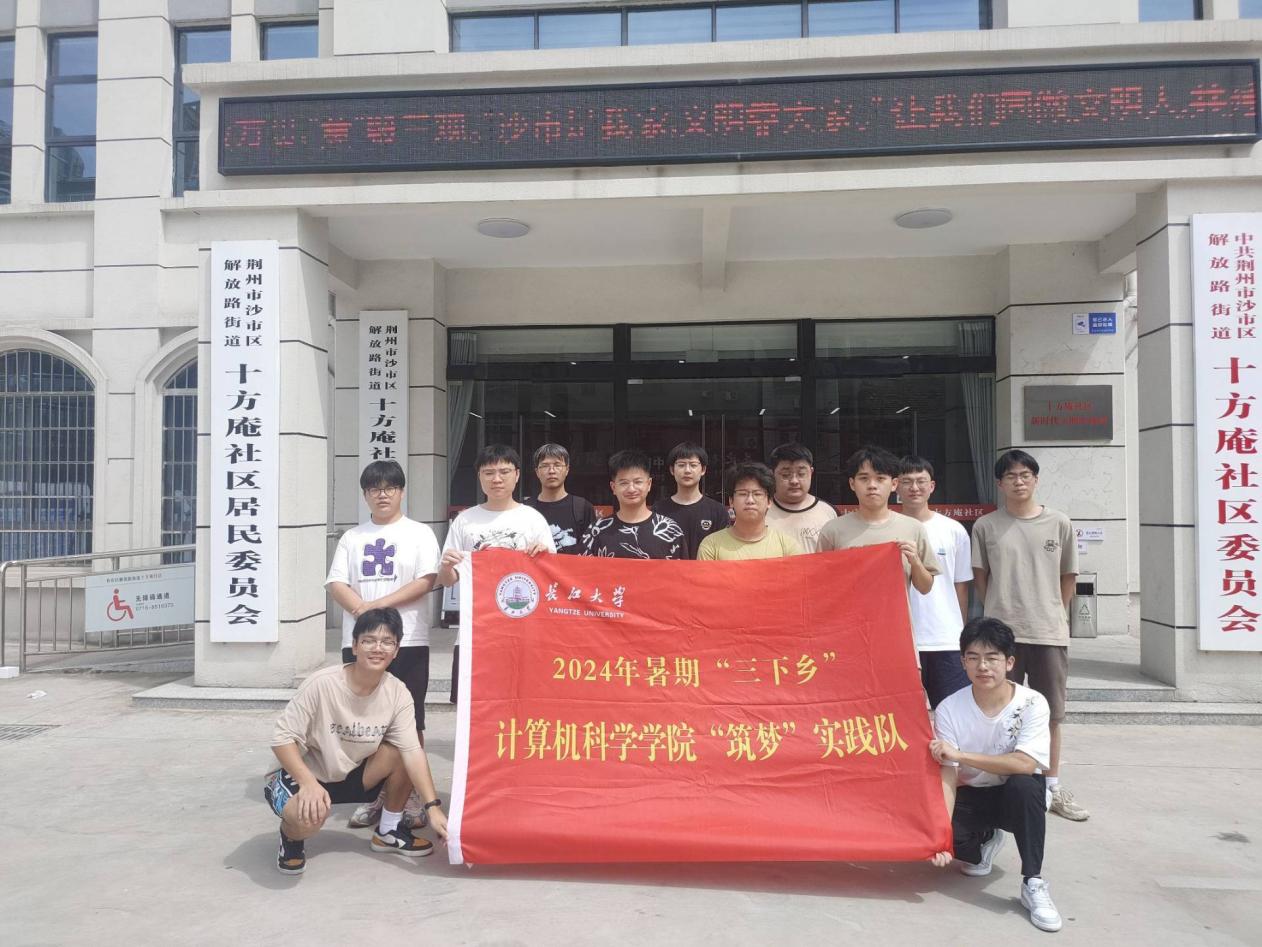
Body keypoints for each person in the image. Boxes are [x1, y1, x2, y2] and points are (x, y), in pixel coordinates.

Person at [265, 608, 448, 875]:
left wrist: (433, 808)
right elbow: (282, 739)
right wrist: (307, 783)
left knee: (400, 750)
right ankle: (291, 838)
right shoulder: (322, 684)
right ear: (354, 646)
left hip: (353, 773)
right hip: (302, 774)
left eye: (387, 642)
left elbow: (412, 751)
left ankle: (389, 830)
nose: (378, 648)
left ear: (396, 650)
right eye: (369, 640)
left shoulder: (398, 692)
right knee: (307, 819)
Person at [325, 460, 441, 830]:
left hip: (408, 641)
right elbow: (336, 583)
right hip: (360, 643)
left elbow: (426, 580)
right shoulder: (352, 537)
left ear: (402, 492)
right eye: (374, 489)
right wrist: (362, 612)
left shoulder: (419, 533)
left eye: (390, 487)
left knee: (410, 721)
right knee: (363, 723)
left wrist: (375, 607)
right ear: (365, 495)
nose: (382, 494)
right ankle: (373, 795)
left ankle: (411, 795)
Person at [971, 450, 1086, 822]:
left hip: (1048, 632)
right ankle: (999, 783)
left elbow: (1068, 577)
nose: (1018, 481)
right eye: (1010, 476)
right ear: (999, 483)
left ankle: (1052, 787)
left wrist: (1053, 613)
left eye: (1025, 475)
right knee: (998, 710)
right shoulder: (986, 526)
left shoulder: (1059, 523)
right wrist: (998, 612)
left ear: (1036, 479)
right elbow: (981, 579)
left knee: (1050, 713)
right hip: (1001, 635)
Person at [929, 617, 1062, 933]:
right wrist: (940, 835)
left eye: (992, 658)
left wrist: (961, 755)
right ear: (963, 662)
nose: (983, 666)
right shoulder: (949, 709)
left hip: (1015, 794)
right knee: (939, 829)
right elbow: (948, 774)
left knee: (1025, 786)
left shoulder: (1032, 703)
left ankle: (1033, 881)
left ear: (1009, 662)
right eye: (973, 657)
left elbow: (1025, 764)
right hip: (973, 795)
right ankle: (985, 839)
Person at [438, 445, 557, 703]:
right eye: (489, 472)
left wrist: (544, 556)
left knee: (523, 703)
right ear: (479, 476)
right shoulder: (464, 520)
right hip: (475, 632)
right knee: (472, 707)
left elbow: (552, 578)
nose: (497, 479)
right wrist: (446, 567)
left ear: (517, 475)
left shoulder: (532, 519)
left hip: (523, 631)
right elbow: (448, 580)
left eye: (504, 471)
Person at [897, 455, 972, 708]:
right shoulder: (888, 530)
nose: (914, 488)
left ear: (932, 486)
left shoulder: (953, 530)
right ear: (896, 486)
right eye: (907, 481)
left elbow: (961, 585)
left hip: (945, 638)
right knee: (903, 715)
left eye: (921, 481)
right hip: (901, 639)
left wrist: (961, 632)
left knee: (952, 712)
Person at [817, 445, 940, 597]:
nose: (872, 485)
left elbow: (925, 588)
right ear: (852, 484)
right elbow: (819, 584)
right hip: (848, 612)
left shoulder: (913, 528)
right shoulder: (833, 530)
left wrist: (915, 561)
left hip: (895, 612)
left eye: (880, 478)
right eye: (864, 478)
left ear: (894, 484)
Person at [582, 449, 688, 559]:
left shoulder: (670, 530)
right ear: (613, 487)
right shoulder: (597, 530)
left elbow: (682, 569)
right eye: (624, 483)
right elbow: (582, 568)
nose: (631, 489)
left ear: (649, 484)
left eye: (638, 482)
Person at [697, 462, 800, 560]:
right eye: (743, 494)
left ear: (769, 501)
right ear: (731, 501)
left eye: (757, 494)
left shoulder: (787, 546)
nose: (750, 500)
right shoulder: (711, 546)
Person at [653, 442, 731, 558]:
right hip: (669, 569)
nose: (687, 470)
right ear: (672, 470)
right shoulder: (659, 510)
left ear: (703, 469)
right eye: (681, 465)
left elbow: (723, 552)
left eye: (693, 465)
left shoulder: (718, 511)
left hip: (706, 569)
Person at [524, 443, 596, 555]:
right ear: (537, 472)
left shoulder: (583, 508)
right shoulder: (525, 509)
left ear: (567, 469)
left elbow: (591, 550)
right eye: (545, 466)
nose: (551, 471)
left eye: (557, 465)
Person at [765, 442, 837, 553]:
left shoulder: (828, 512)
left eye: (801, 474)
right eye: (785, 475)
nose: (794, 481)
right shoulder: (761, 511)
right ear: (772, 474)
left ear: (811, 472)